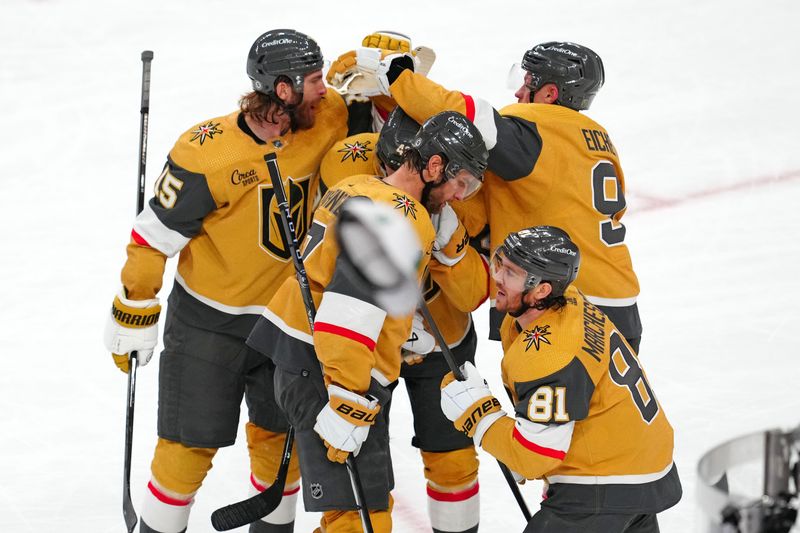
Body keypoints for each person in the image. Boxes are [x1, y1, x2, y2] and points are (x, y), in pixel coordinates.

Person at [103, 29, 351, 533]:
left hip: (288, 324)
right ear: (282, 90)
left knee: (281, 448)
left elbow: (367, 103)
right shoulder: (206, 152)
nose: (324, 89)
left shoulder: (328, 117)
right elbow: (152, 237)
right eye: (314, 79)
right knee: (185, 448)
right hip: (208, 327)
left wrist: (373, 69)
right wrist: (136, 305)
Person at [245, 111, 488, 533]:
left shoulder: (353, 186)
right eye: (459, 181)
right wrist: (347, 399)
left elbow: (337, 283)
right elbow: (347, 313)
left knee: (361, 512)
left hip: (301, 356)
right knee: (359, 521)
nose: (460, 195)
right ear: (433, 167)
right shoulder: (402, 217)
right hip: (331, 372)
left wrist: (394, 334)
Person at [328, 41, 644, 352]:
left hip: (566, 302)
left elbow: (459, 115)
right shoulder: (595, 140)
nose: (518, 93)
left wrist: (396, 73)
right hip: (616, 299)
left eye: (527, 82)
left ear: (550, 93)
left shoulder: (535, 135)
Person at [439, 226, 681, 533]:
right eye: (499, 263)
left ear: (541, 290)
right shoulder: (565, 299)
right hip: (636, 467)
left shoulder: (550, 355)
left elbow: (532, 458)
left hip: (603, 486)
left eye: (511, 273)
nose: (497, 277)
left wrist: (478, 415)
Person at [319, 106, 490, 533]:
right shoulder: (350, 170)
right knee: (358, 479)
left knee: (453, 463)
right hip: (370, 348)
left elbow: (473, 295)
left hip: (440, 345)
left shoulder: (454, 194)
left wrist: (449, 247)